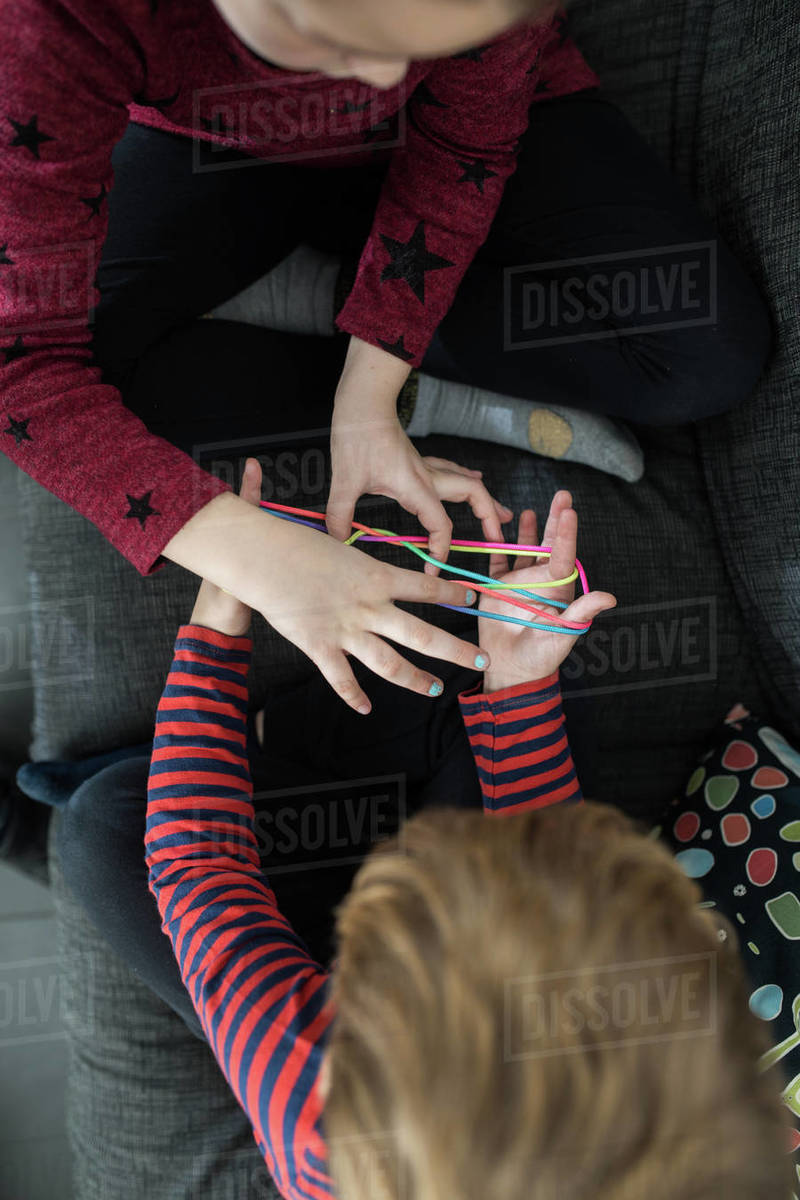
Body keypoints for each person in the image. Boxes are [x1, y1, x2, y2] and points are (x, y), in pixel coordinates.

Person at [0, 0, 772, 716]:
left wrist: (370, 392)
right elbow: (21, 365)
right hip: (215, 150)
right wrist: (250, 552)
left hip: (467, 141)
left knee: (706, 356)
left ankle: (345, 318)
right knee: (106, 396)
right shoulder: (46, 26)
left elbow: (466, 143)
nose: (377, 81)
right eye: (336, 41)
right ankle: (401, 364)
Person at [56, 462, 796, 1199]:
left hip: (327, 1014)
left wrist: (221, 613)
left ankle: (194, 773)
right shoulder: (648, 1065)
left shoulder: (316, 1106)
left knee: (101, 823)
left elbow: (199, 872)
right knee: (498, 650)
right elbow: (554, 872)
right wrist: (518, 686)